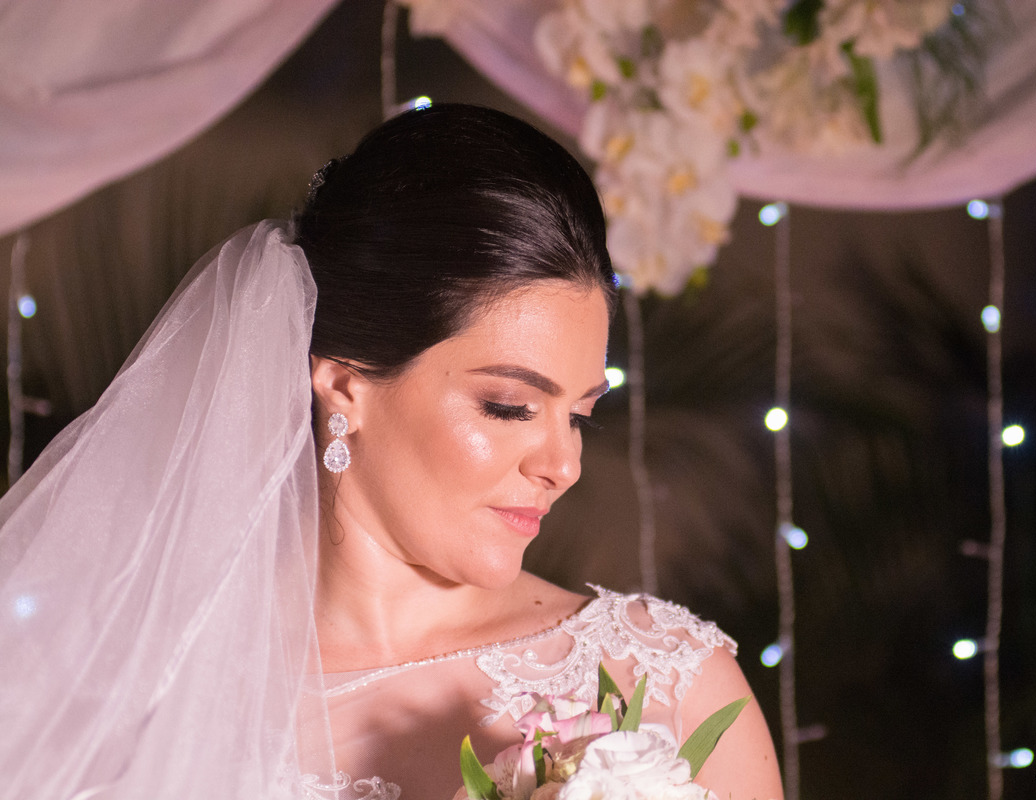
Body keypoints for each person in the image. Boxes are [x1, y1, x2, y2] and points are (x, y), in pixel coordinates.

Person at [0, 104, 782, 800]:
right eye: (509, 407)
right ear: (345, 386)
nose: (563, 464)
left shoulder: (668, 686)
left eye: (579, 415)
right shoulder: (132, 691)